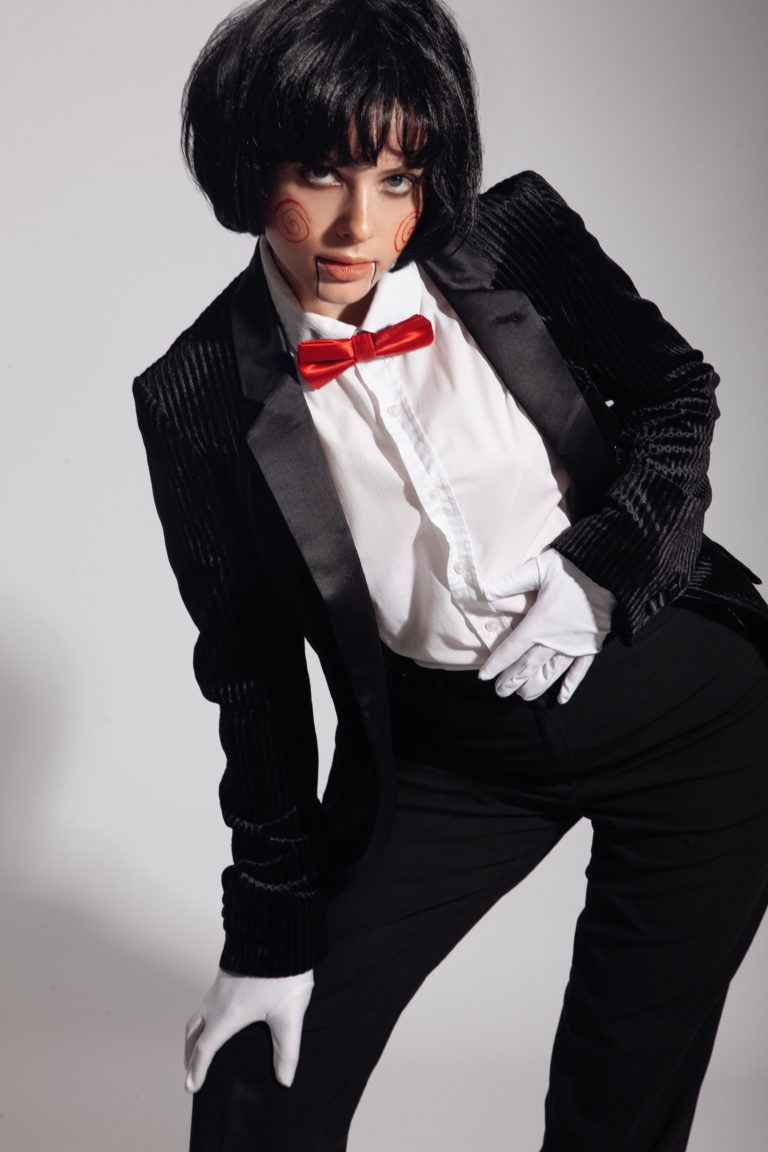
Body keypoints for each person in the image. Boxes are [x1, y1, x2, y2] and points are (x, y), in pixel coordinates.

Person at [133, 1, 768, 1148]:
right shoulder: (196, 393)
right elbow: (252, 675)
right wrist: (268, 932)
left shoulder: (512, 239)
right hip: (450, 755)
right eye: (321, 172)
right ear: (249, 164)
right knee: (259, 1083)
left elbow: (676, 398)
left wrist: (596, 575)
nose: (359, 224)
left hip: (684, 709)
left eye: (397, 178)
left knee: (621, 1101)